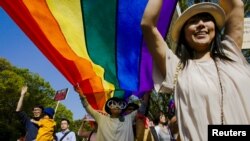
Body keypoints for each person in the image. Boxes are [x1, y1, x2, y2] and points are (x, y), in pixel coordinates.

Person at [141, 0, 250, 141]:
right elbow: (148, 25)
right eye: (193, 21)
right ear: (183, 34)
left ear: (215, 28)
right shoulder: (177, 68)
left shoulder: (231, 54)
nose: (201, 24)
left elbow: (236, 5)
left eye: (206, 19)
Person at [75, 85, 148, 141]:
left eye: (119, 104)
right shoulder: (101, 118)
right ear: (109, 108)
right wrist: (81, 95)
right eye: (113, 104)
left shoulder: (129, 118)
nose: (116, 106)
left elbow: (142, 108)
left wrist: (147, 91)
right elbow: (88, 108)